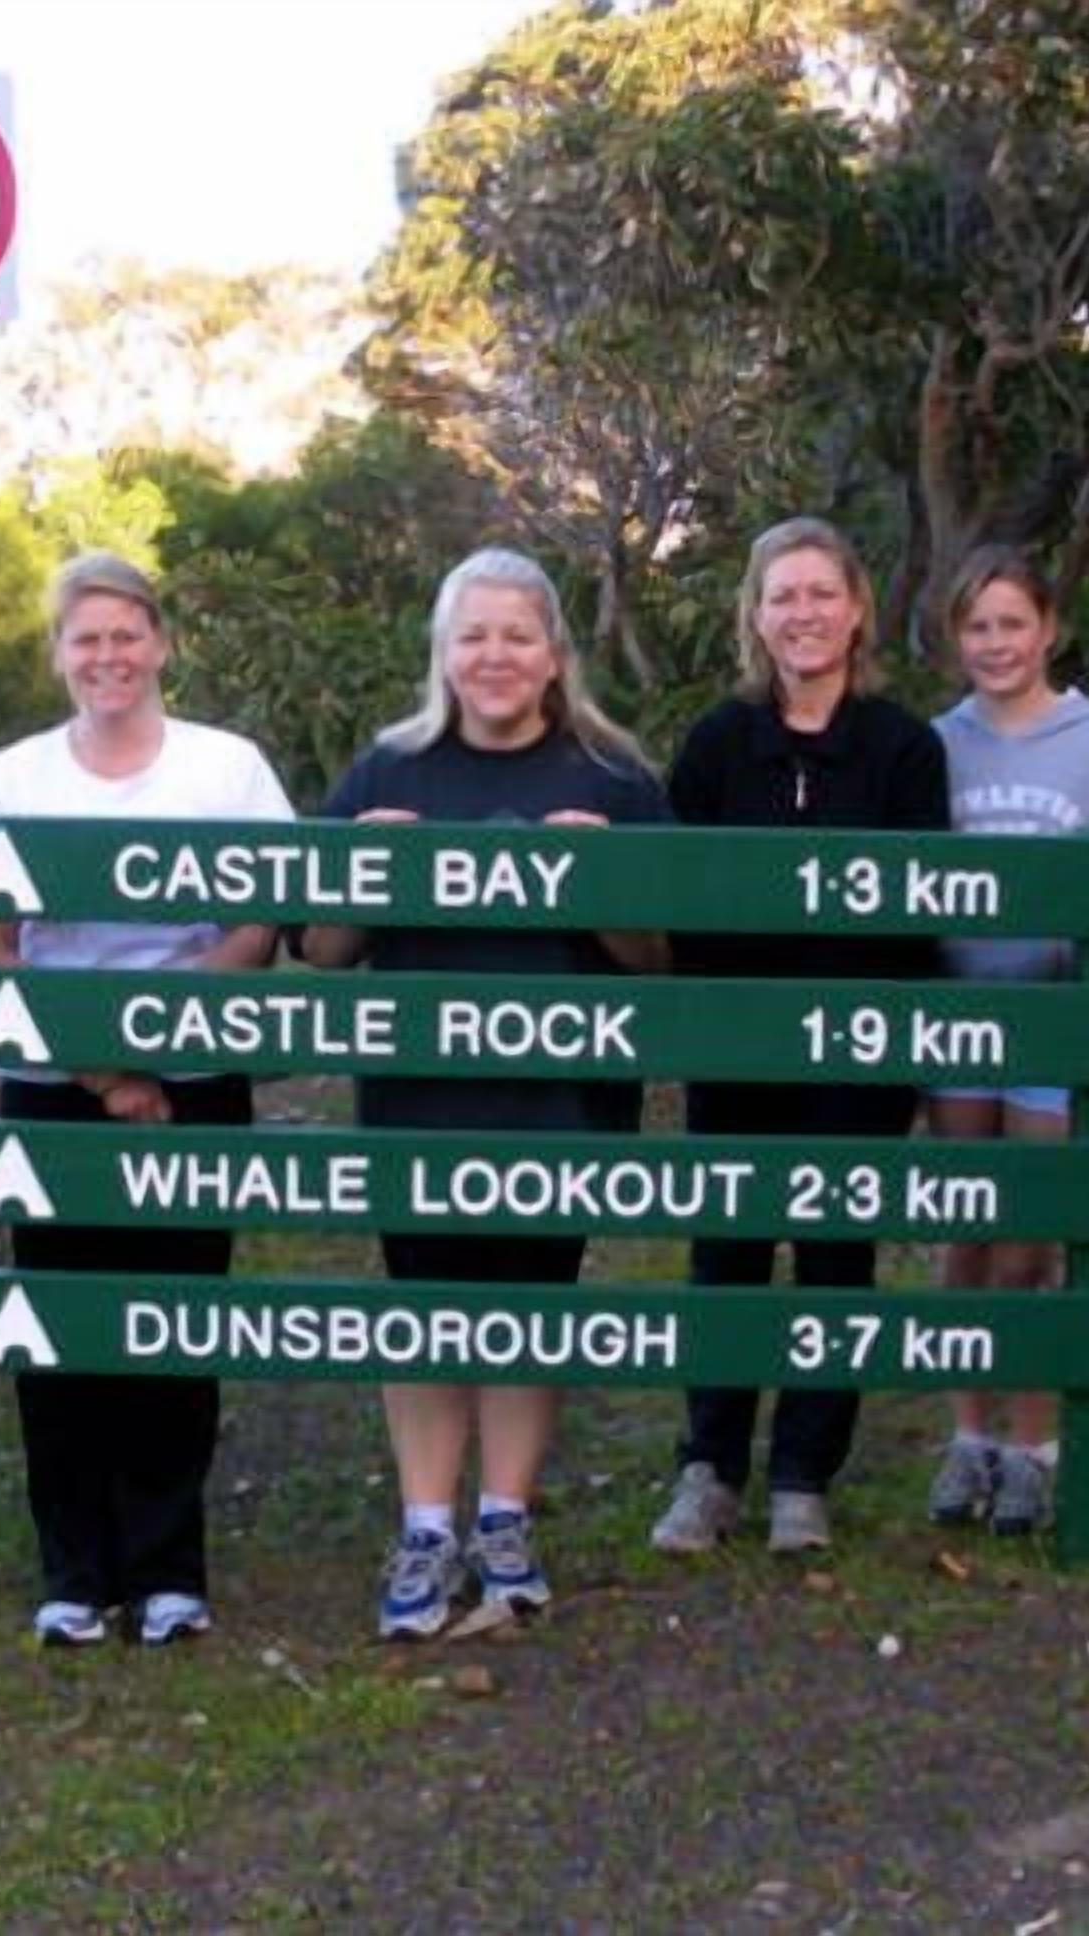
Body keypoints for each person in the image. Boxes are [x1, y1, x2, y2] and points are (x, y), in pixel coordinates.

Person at [301, 548, 669, 1639]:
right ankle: (426, 1530)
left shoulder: (614, 777)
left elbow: (659, 960)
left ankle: (504, 1519)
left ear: (554, 651)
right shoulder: (387, 770)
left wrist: (599, 882)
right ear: (443, 653)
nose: (494, 656)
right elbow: (320, 949)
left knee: (528, 1304)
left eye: (516, 634)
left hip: (562, 1096)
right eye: (474, 636)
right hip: (419, 1096)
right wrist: (366, 870)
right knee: (424, 1306)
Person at [0, 552, 294, 1648]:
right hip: (57, 1089)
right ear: (59, 654)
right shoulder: (14, 776)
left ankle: (166, 1570)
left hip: (193, 1083)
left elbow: (262, 920)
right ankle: (73, 1570)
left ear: (159, 642)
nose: (107, 656)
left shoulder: (228, 766)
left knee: (171, 1320)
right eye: (84, 638)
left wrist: (158, 1041)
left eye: (125, 634)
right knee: (57, 1330)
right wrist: (102, 1070)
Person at [650, 517, 950, 1557]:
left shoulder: (904, 748)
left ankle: (802, 1476)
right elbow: (676, 902)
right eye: (784, 595)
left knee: (834, 1258)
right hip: (736, 1050)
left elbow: (923, 913)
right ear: (756, 614)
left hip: (857, 1057)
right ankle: (711, 1467)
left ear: (857, 606)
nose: (804, 613)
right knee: (726, 1254)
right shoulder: (717, 742)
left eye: (822, 592)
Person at [924, 546, 1089, 1536]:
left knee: (1030, 1240)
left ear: (1047, 628)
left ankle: (1035, 1448)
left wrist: (1067, 944)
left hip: (1052, 1027)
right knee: (965, 1231)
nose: (995, 643)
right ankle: (968, 1437)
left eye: (1011, 623)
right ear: (956, 638)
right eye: (976, 627)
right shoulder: (936, 744)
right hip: (955, 1024)